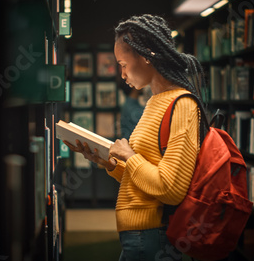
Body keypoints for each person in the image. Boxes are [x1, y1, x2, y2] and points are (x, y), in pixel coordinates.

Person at [63, 14, 207, 261]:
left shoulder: (181, 104)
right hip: (138, 234)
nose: (122, 74)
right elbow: (146, 175)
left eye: (123, 64)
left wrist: (130, 156)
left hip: (153, 235)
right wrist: (109, 162)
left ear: (147, 57)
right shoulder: (154, 102)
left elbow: (170, 189)